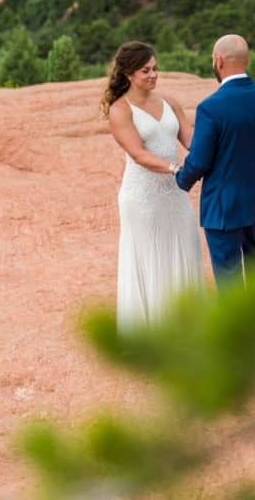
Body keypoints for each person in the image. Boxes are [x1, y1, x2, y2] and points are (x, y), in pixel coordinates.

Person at [104, 41, 205, 330]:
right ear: (128, 74)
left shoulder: (169, 101)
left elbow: (190, 139)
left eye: (155, 68)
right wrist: (176, 168)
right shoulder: (120, 110)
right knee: (151, 254)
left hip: (175, 192)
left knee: (185, 244)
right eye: (145, 70)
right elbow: (137, 154)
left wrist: (212, 153)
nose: (153, 75)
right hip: (143, 196)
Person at [176, 34, 255, 294]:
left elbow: (199, 160)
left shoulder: (211, 108)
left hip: (223, 205)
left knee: (228, 269)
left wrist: (181, 180)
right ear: (246, 60)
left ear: (219, 60)